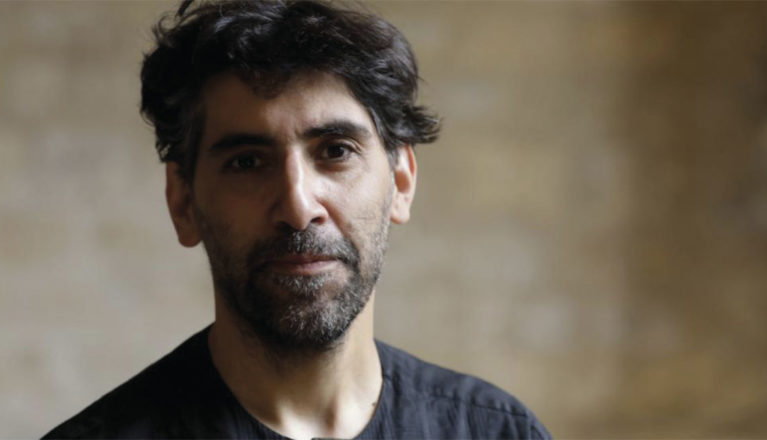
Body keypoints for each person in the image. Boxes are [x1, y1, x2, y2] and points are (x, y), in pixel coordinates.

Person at [44, 1, 549, 438]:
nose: (298, 206)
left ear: (400, 182)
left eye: (336, 151)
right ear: (183, 202)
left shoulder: (498, 432)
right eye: (247, 161)